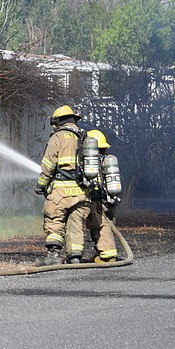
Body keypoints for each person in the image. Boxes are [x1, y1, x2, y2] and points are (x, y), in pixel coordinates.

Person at [34, 105, 91, 265]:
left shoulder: (58, 137)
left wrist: (41, 184)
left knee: (54, 219)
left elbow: (48, 164)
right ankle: (74, 257)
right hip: (81, 192)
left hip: (61, 190)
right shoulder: (83, 136)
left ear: (57, 121)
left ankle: (54, 256)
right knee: (76, 223)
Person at [83, 128, 119, 263]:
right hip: (109, 201)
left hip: (96, 200)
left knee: (100, 226)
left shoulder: (91, 164)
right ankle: (102, 252)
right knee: (105, 227)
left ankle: (107, 256)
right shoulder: (106, 161)